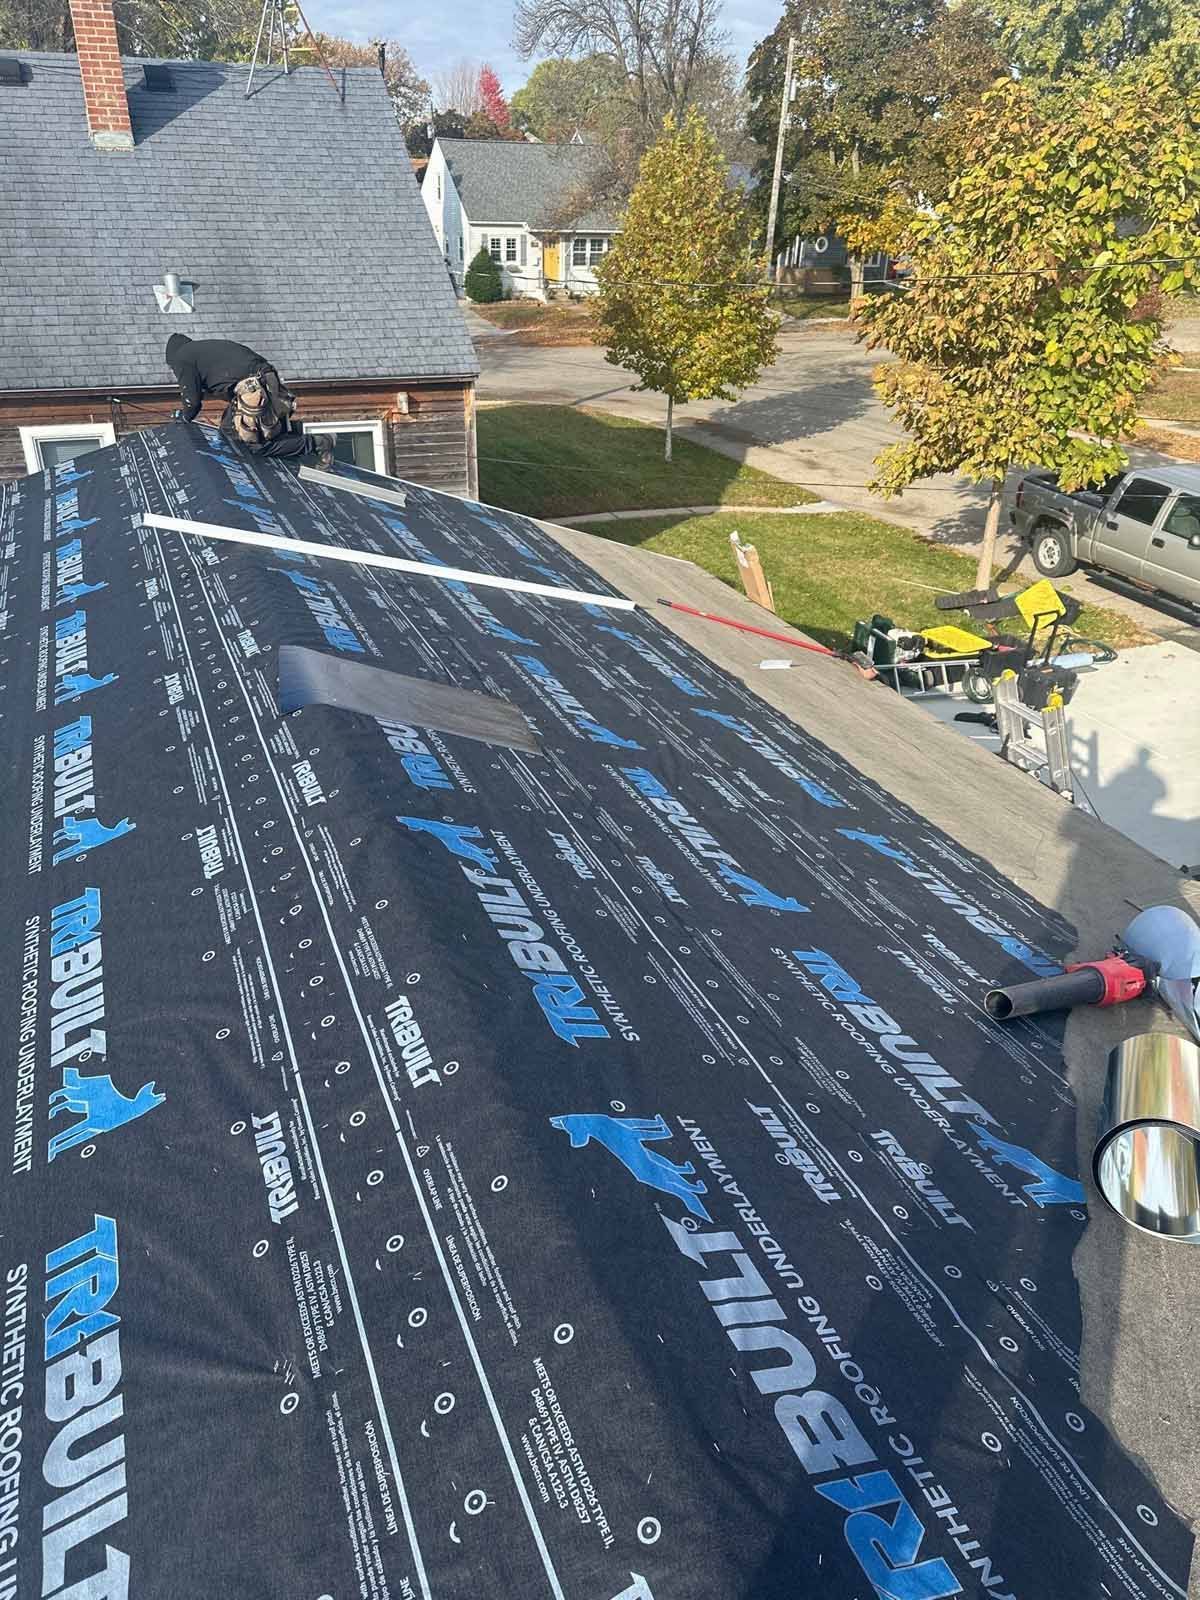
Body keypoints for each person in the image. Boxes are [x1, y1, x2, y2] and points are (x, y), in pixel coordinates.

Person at [165, 334, 334, 465]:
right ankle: (300, 432)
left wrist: (183, 418)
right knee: (228, 430)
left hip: (253, 387)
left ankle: (317, 443)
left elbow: (192, 401)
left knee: (251, 444)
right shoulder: (199, 351)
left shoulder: (182, 358)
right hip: (265, 378)